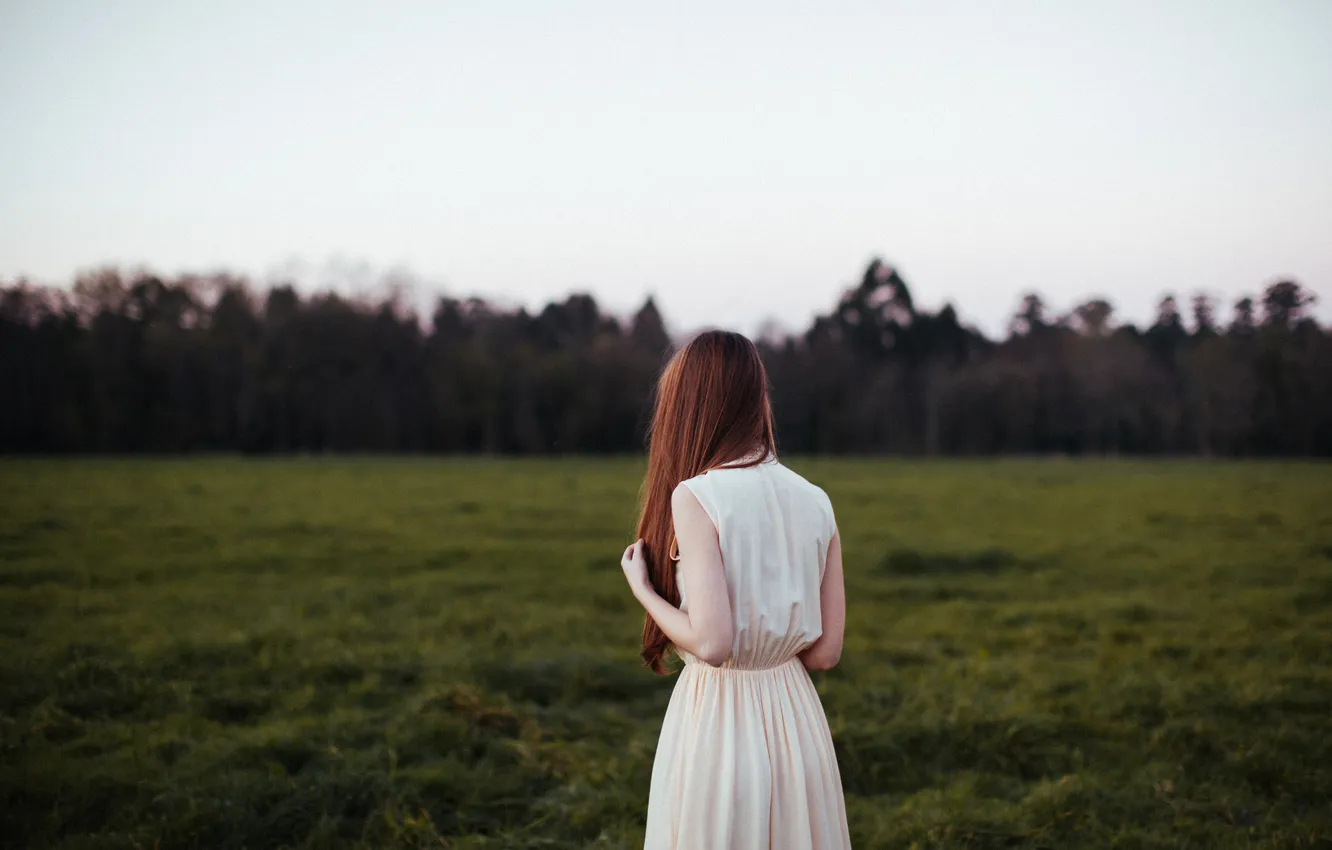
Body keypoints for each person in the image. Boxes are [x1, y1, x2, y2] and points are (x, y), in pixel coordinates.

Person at [619, 329, 851, 850]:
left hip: (719, 720)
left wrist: (645, 592)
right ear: (755, 398)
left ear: (689, 405)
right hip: (797, 720)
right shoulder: (816, 499)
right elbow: (826, 653)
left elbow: (713, 643)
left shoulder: (697, 496)